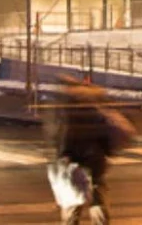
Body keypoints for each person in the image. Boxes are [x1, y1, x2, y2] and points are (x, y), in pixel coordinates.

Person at [47, 78, 121, 224]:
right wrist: (107, 152)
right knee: (97, 202)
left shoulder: (66, 109)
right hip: (95, 161)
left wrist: (63, 155)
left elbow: (61, 135)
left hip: (74, 162)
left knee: (73, 202)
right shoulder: (98, 107)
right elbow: (107, 134)